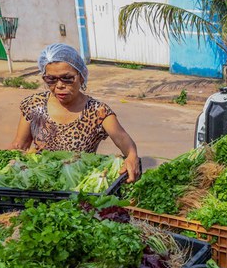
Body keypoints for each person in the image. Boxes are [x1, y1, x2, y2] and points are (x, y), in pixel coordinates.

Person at [10, 43, 141, 182]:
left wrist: (132, 156)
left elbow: (122, 139)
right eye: (51, 79)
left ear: (81, 76)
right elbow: (20, 145)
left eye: (67, 78)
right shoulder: (33, 105)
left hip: (79, 184)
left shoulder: (98, 111)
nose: (59, 85)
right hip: (42, 181)